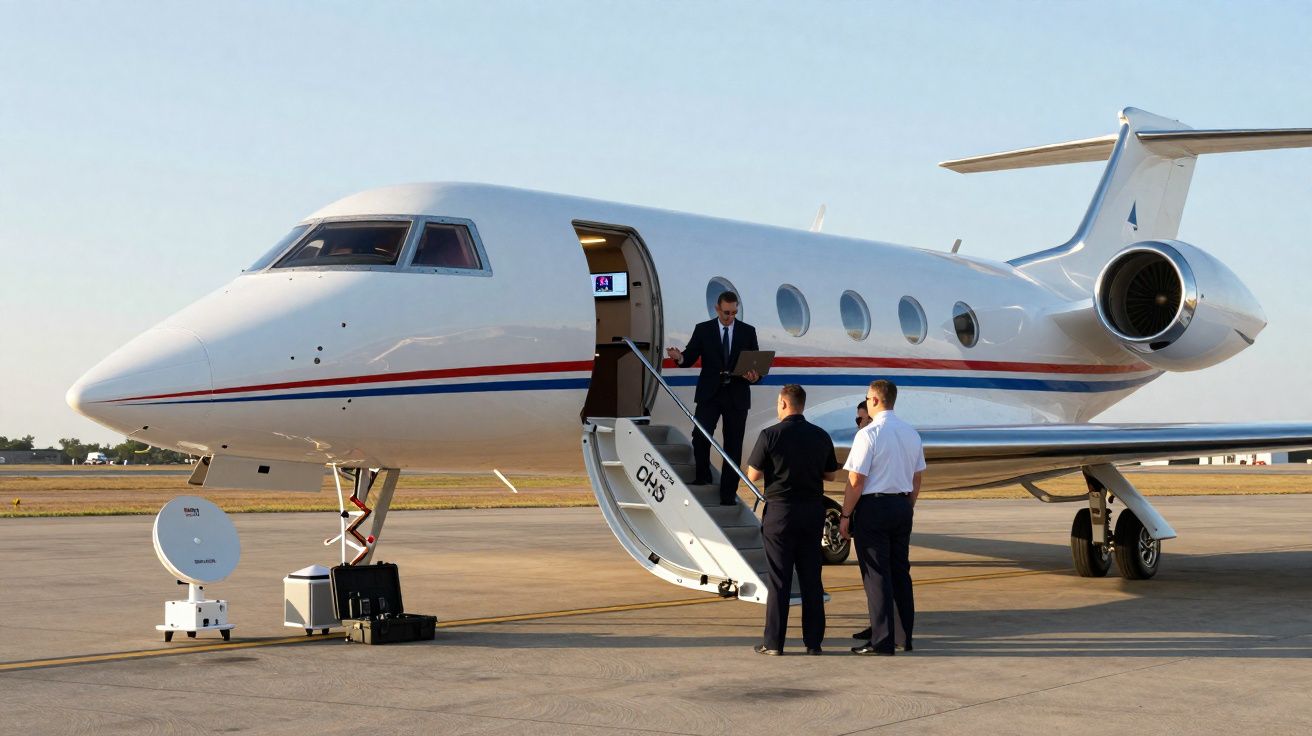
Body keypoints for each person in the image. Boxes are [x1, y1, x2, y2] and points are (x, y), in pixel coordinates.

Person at [745, 384, 838, 655]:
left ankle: (773, 643)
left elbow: (753, 475)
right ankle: (814, 642)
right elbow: (831, 475)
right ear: (802, 405)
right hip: (811, 512)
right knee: (812, 578)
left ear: (784, 404)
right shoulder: (820, 436)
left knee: (780, 580)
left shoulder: (770, 435)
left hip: (780, 513)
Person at [839, 379, 925, 655]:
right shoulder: (911, 433)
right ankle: (903, 636)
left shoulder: (868, 434)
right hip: (901, 506)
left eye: (867, 398)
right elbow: (917, 477)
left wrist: (845, 515)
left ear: (874, 400)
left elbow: (856, 480)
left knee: (876, 575)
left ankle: (882, 640)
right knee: (900, 572)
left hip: (874, 508)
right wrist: (907, 505)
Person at [666, 291, 760, 504]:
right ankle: (703, 476)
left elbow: (755, 365)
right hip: (710, 393)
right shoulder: (704, 330)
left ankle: (727, 494)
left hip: (737, 395)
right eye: (726, 313)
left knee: (733, 446)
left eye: (734, 312)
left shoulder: (747, 332)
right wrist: (679, 357)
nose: (730, 317)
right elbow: (689, 357)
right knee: (700, 437)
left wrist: (754, 376)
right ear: (717, 309)